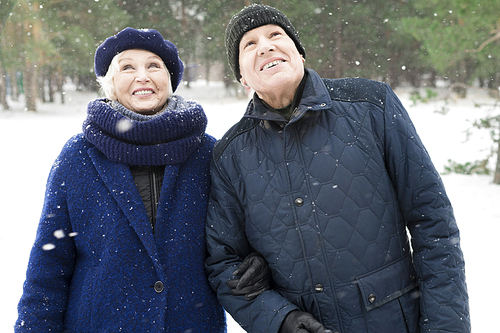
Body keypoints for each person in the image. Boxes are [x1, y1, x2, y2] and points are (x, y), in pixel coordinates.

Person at [205, 4, 470, 333]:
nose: (266, 46)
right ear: (243, 78)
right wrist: (279, 318)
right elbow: (224, 263)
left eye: (275, 34)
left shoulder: (372, 105)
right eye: (249, 44)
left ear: (300, 55)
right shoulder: (230, 154)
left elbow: (433, 223)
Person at [15, 27, 269, 333]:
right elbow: (48, 267)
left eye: (154, 65)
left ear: (169, 80)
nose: (143, 76)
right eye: (127, 67)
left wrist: (258, 262)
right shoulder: (78, 156)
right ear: (110, 85)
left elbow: (240, 238)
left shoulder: (207, 153)